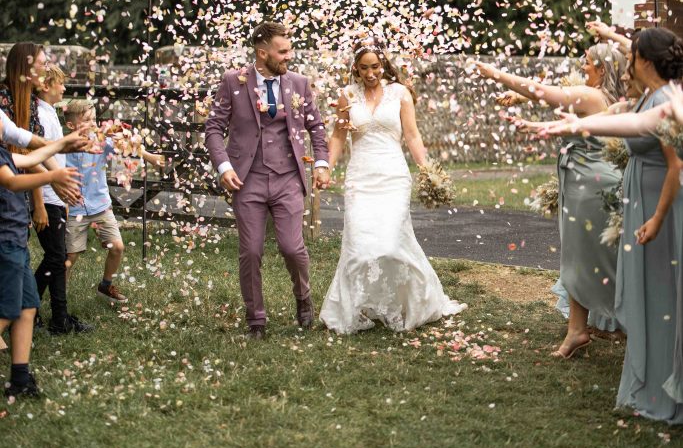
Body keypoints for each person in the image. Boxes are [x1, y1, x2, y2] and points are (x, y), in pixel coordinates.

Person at [531, 29, 683, 423]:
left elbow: (676, 166)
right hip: (641, 199)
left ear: (645, 61)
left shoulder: (667, 100)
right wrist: (569, 127)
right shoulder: (650, 98)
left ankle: (665, 391)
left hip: (659, 206)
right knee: (652, 295)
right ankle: (652, 381)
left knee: (663, 296)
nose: (627, 61)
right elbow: (621, 124)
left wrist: (657, 217)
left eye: (632, 55)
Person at [477, 43, 627, 358]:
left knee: (586, 259)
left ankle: (617, 323)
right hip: (587, 184)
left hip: (590, 187)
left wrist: (496, 74)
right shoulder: (608, 98)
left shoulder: (592, 96)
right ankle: (578, 330)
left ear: (601, 68)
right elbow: (560, 100)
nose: (582, 67)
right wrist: (520, 97)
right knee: (582, 257)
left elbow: (545, 91)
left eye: (587, 62)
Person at [319, 40, 466, 334]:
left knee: (390, 244)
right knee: (359, 247)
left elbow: (412, 136)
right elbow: (337, 136)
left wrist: (427, 171)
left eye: (375, 66)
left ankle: (410, 300)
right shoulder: (347, 95)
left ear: (383, 66)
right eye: (364, 68)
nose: (371, 73)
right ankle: (357, 306)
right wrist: (325, 167)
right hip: (360, 178)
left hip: (393, 176)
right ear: (356, 70)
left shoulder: (400, 94)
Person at [204, 21, 330, 338]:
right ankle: (256, 320)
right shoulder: (233, 81)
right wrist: (224, 167)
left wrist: (322, 163)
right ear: (263, 53)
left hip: (288, 178)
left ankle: (303, 298)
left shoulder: (300, 84)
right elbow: (214, 129)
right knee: (251, 251)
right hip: (248, 179)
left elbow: (316, 128)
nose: (289, 56)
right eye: (283, 51)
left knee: (292, 248)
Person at [0, 115, 83, 399]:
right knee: (6, 311)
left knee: (27, 307)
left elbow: (31, 157)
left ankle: (20, 379)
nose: (4, 122)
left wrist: (62, 144)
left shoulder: (4, 153)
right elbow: (11, 182)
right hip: (4, 244)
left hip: (15, 240)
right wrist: (51, 176)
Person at [63, 98, 165, 306]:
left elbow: (126, 147)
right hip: (74, 209)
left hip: (100, 205)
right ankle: (59, 298)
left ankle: (106, 285)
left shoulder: (102, 141)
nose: (92, 123)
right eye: (86, 120)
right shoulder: (64, 147)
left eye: (93, 119)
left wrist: (150, 156)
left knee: (117, 247)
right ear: (71, 125)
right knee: (70, 256)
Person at [35, 63, 92, 334]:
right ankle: (54, 317)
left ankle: (39, 312)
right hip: (46, 194)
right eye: (60, 83)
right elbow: (39, 157)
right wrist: (41, 203)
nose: (65, 88)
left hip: (55, 197)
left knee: (55, 258)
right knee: (56, 257)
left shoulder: (49, 114)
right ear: (46, 86)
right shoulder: (41, 115)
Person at [0, 42, 80, 208]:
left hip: (19, 183)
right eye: (43, 64)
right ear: (27, 67)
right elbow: (17, 150)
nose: (47, 68)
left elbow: (35, 145)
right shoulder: (3, 99)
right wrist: (53, 179)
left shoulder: (31, 102)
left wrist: (58, 177)